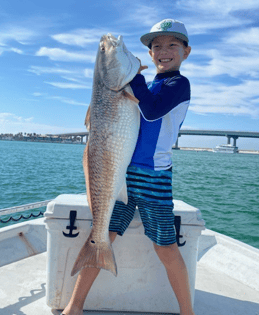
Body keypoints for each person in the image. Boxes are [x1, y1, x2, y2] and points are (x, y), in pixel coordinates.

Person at [62, 18, 193, 315]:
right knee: (102, 234)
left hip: (154, 177)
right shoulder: (147, 83)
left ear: (186, 52)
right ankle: (74, 306)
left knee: (165, 246)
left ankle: (188, 311)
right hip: (121, 173)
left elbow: (150, 109)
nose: (163, 50)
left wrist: (130, 77)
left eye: (173, 44)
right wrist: (131, 78)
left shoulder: (178, 84)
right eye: (156, 46)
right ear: (149, 54)